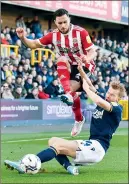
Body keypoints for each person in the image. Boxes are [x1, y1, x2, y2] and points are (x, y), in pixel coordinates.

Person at [4, 61, 126, 175]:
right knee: (52, 141)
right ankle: (70, 167)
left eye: (112, 95)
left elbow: (97, 100)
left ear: (118, 98)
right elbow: (89, 84)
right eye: (108, 92)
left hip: (97, 148)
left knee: (58, 147)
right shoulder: (106, 100)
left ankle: (26, 164)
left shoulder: (116, 108)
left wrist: (87, 90)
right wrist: (81, 71)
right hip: (91, 144)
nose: (108, 95)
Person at [16, 8, 97, 136]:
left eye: (65, 22)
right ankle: (78, 116)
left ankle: (75, 108)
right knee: (61, 59)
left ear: (69, 19)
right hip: (68, 65)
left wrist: (87, 57)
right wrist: (23, 38)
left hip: (84, 63)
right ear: (55, 22)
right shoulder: (53, 35)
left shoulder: (80, 32)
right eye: (60, 23)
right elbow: (33, 44)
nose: (63, 25)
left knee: (70, 89)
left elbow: (93, 51)